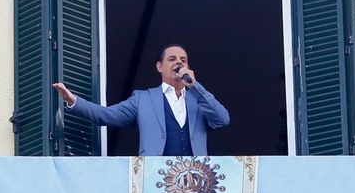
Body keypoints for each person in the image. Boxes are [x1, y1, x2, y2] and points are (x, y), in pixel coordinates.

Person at [52, 44, 230, 156]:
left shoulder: (199, 100)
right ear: (160, 67)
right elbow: (106, 115)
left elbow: (222, 119)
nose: (179, 63)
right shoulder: (143, 99)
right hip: (156, 176)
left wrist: (195, 86)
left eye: (183, 60)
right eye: (172, 59)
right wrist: (72, 99)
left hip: (195, 178)